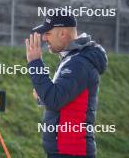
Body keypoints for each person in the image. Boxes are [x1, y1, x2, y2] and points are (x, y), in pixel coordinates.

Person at [25, 10, 108, 158]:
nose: (44, 38)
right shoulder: (72, 59)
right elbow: (62, 98)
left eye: (48, 33)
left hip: (71, 152)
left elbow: (54, 100)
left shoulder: (78, 63)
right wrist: (43, 95)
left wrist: (35, 62)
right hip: (65, 151)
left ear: (62, 33)